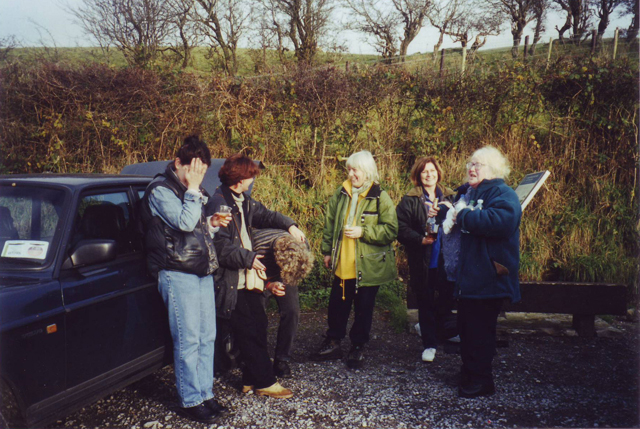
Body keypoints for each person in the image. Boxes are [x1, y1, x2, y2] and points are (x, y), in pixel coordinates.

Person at [140, 136, 230, 424]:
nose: (198, 177)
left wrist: (212, 224)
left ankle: (205, 393)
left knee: (207, 337)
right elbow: (183, 222)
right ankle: (191, 400)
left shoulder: (190, 189)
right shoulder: (160, 190)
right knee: (189, 339)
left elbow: (196, 228)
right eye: (193, 170)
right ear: (178, 163)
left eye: (203, 172)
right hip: (176, 272)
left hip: (200, 270)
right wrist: (193, 190)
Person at [211, 154, 306, 399]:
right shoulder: (220, 203)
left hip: (247, 277)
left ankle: (248, 379)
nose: (253, 179)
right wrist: (249, 258)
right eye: (250, 175)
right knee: (249, 329)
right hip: (231, 280)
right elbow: (220, 248)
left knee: (258, 325)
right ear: (238, 179)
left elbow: (268, 215)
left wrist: (291, 225)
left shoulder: (243, 200)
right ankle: (265, 381)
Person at [442, 146, 522, 398]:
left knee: (480, 331)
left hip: (489, 278)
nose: (471, 168)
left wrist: (463, 215)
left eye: (478, 164)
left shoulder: (503, 193)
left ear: (493, 170)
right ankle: (470, 372)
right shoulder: (469, 193)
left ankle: (481, 381)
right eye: (470, 163)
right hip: (469, 280)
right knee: (466, 328)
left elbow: (501, 222)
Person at [310, 150, 398, 369]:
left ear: (366, 171)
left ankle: (358, 346)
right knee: (337, 305)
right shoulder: (341, 192)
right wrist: (327, 251)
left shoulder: (380, 196)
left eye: (355, 169)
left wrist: (363, 232)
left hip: (368, 266)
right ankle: (333, 342)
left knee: (364, 308)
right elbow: (330, 223)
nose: (351, 174)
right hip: (343, 262)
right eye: (348, 169)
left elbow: (391, 230)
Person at [396, 156, 455, 363]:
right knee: (426, 299)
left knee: (446, 297)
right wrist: (420, 239)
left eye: (432, 171)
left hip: (446, 258)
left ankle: (442, 333)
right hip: (423, 258)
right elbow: (400, 228)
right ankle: (429, 344)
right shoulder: (410, 199)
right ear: (418, 176)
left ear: (438, 172)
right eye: (424, 172)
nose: (429, 175)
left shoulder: (451, 195)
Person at [252, 228, 315, 377]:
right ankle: (257, 359)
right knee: (257, 317)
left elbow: (301, 265)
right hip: (260, 274)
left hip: (287, 270)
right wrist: (268, 285)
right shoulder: (258, 246)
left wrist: (285, 280)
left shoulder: (300, 243)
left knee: (292, 311)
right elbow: (247, 274)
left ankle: (281, 359)